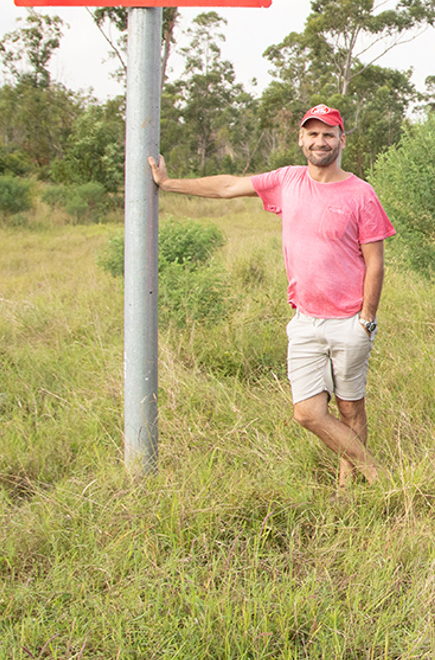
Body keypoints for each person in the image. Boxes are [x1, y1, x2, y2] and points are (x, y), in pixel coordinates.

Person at [148, 104, 396, 486]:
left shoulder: (361, 193)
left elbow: (375, 263)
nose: (320, 141)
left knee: (350, 409)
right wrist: (169, 184)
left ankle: (348, 492)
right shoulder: (287, 181)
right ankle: (378, 473)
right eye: (312, 134)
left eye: (328, 134)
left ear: (341, 141)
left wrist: (366, 318)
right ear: (301, 139)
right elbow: (229, 186)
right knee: (308, 412)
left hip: (350, 321)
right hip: (305, 321)